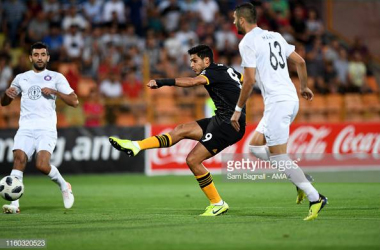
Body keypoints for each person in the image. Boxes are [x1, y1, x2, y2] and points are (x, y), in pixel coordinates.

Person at [109, 44, 246, 216]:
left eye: (194, 61)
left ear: (206, 60)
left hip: (229, 124)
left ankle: (217, 203)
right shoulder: (226, 69)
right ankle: (137, 146)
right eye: (190, 61)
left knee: (193, 160)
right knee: (181, 130)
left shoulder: (210, 72)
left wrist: (161, 82)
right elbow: (246, 81)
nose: (191, 65)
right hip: (222, 119)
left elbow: (193, 82)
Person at [230, 3, 327, 221]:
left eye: (235, 18)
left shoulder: (247, 42)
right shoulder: (275, 36)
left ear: (242, 20)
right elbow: (300, 62)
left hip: (277, 103)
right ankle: (299, 177)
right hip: (290, 99)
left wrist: (237, 110)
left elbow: (250, 80)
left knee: (280, 157)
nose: (233, 22)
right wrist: (304, 87)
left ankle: (315, 197)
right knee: (255, 147)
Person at [1, 42, 79, 214]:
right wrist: (6, 96)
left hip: (46, 129)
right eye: (36, 55)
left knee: (42, 165)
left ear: (48, 57)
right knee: (19, 159)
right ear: (31, 58)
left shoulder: (56, 77)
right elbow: (4, 103)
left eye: (43, 54)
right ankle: (14, 205)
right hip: (25, 128)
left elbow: (74, 101)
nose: (40, 58)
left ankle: (64, 185)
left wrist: (55, 93)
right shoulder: (21, 77)